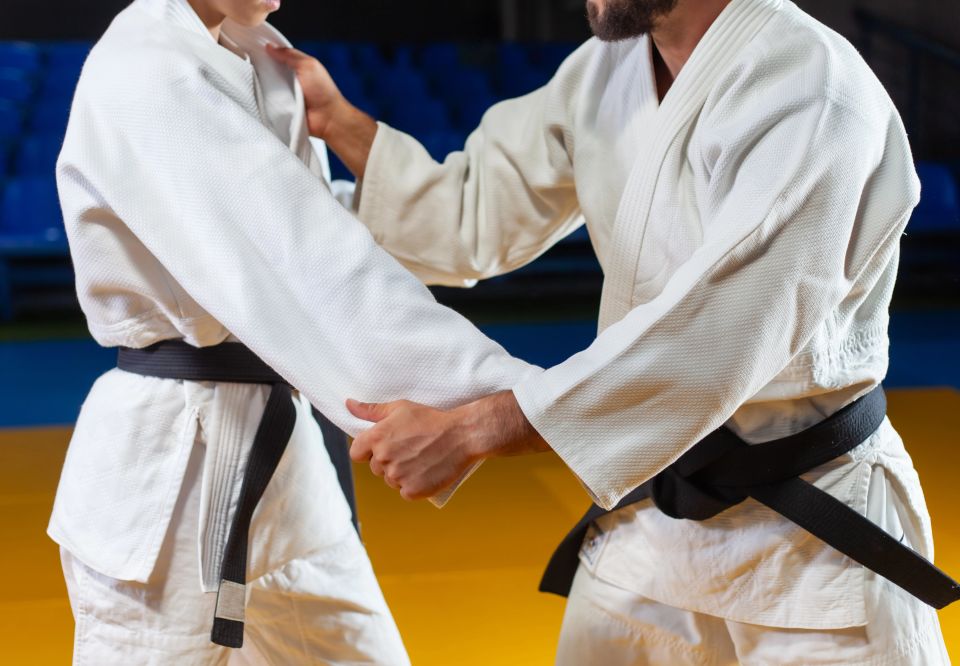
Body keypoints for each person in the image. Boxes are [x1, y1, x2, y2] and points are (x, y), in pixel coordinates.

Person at [269, 0, 954, 662]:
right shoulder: (608, 70)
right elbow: (474, 211)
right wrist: (340, 122)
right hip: (653, 524)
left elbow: (713, 338)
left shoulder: (810, 91)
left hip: (809, 539)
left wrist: (477, 428)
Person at [50, 0, 539, 663]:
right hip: (173, 476)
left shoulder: (258, 55)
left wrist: (535, 409)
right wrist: (526, 403)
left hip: (285, 463)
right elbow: (304, 259)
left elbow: (319, 222)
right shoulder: (147, 66)